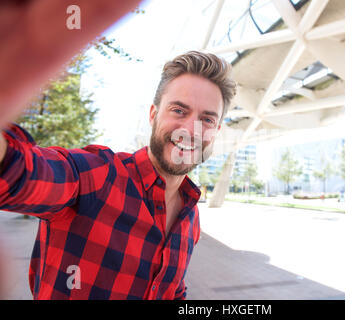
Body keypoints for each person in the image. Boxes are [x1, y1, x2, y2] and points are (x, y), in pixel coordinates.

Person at [0, 1, 236, 300]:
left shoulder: (190, 216)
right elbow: (20, 173)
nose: (190, 129)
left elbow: (171, 291)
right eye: (178, 110)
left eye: (207, 119)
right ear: (153, 114)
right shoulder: (94, 176)